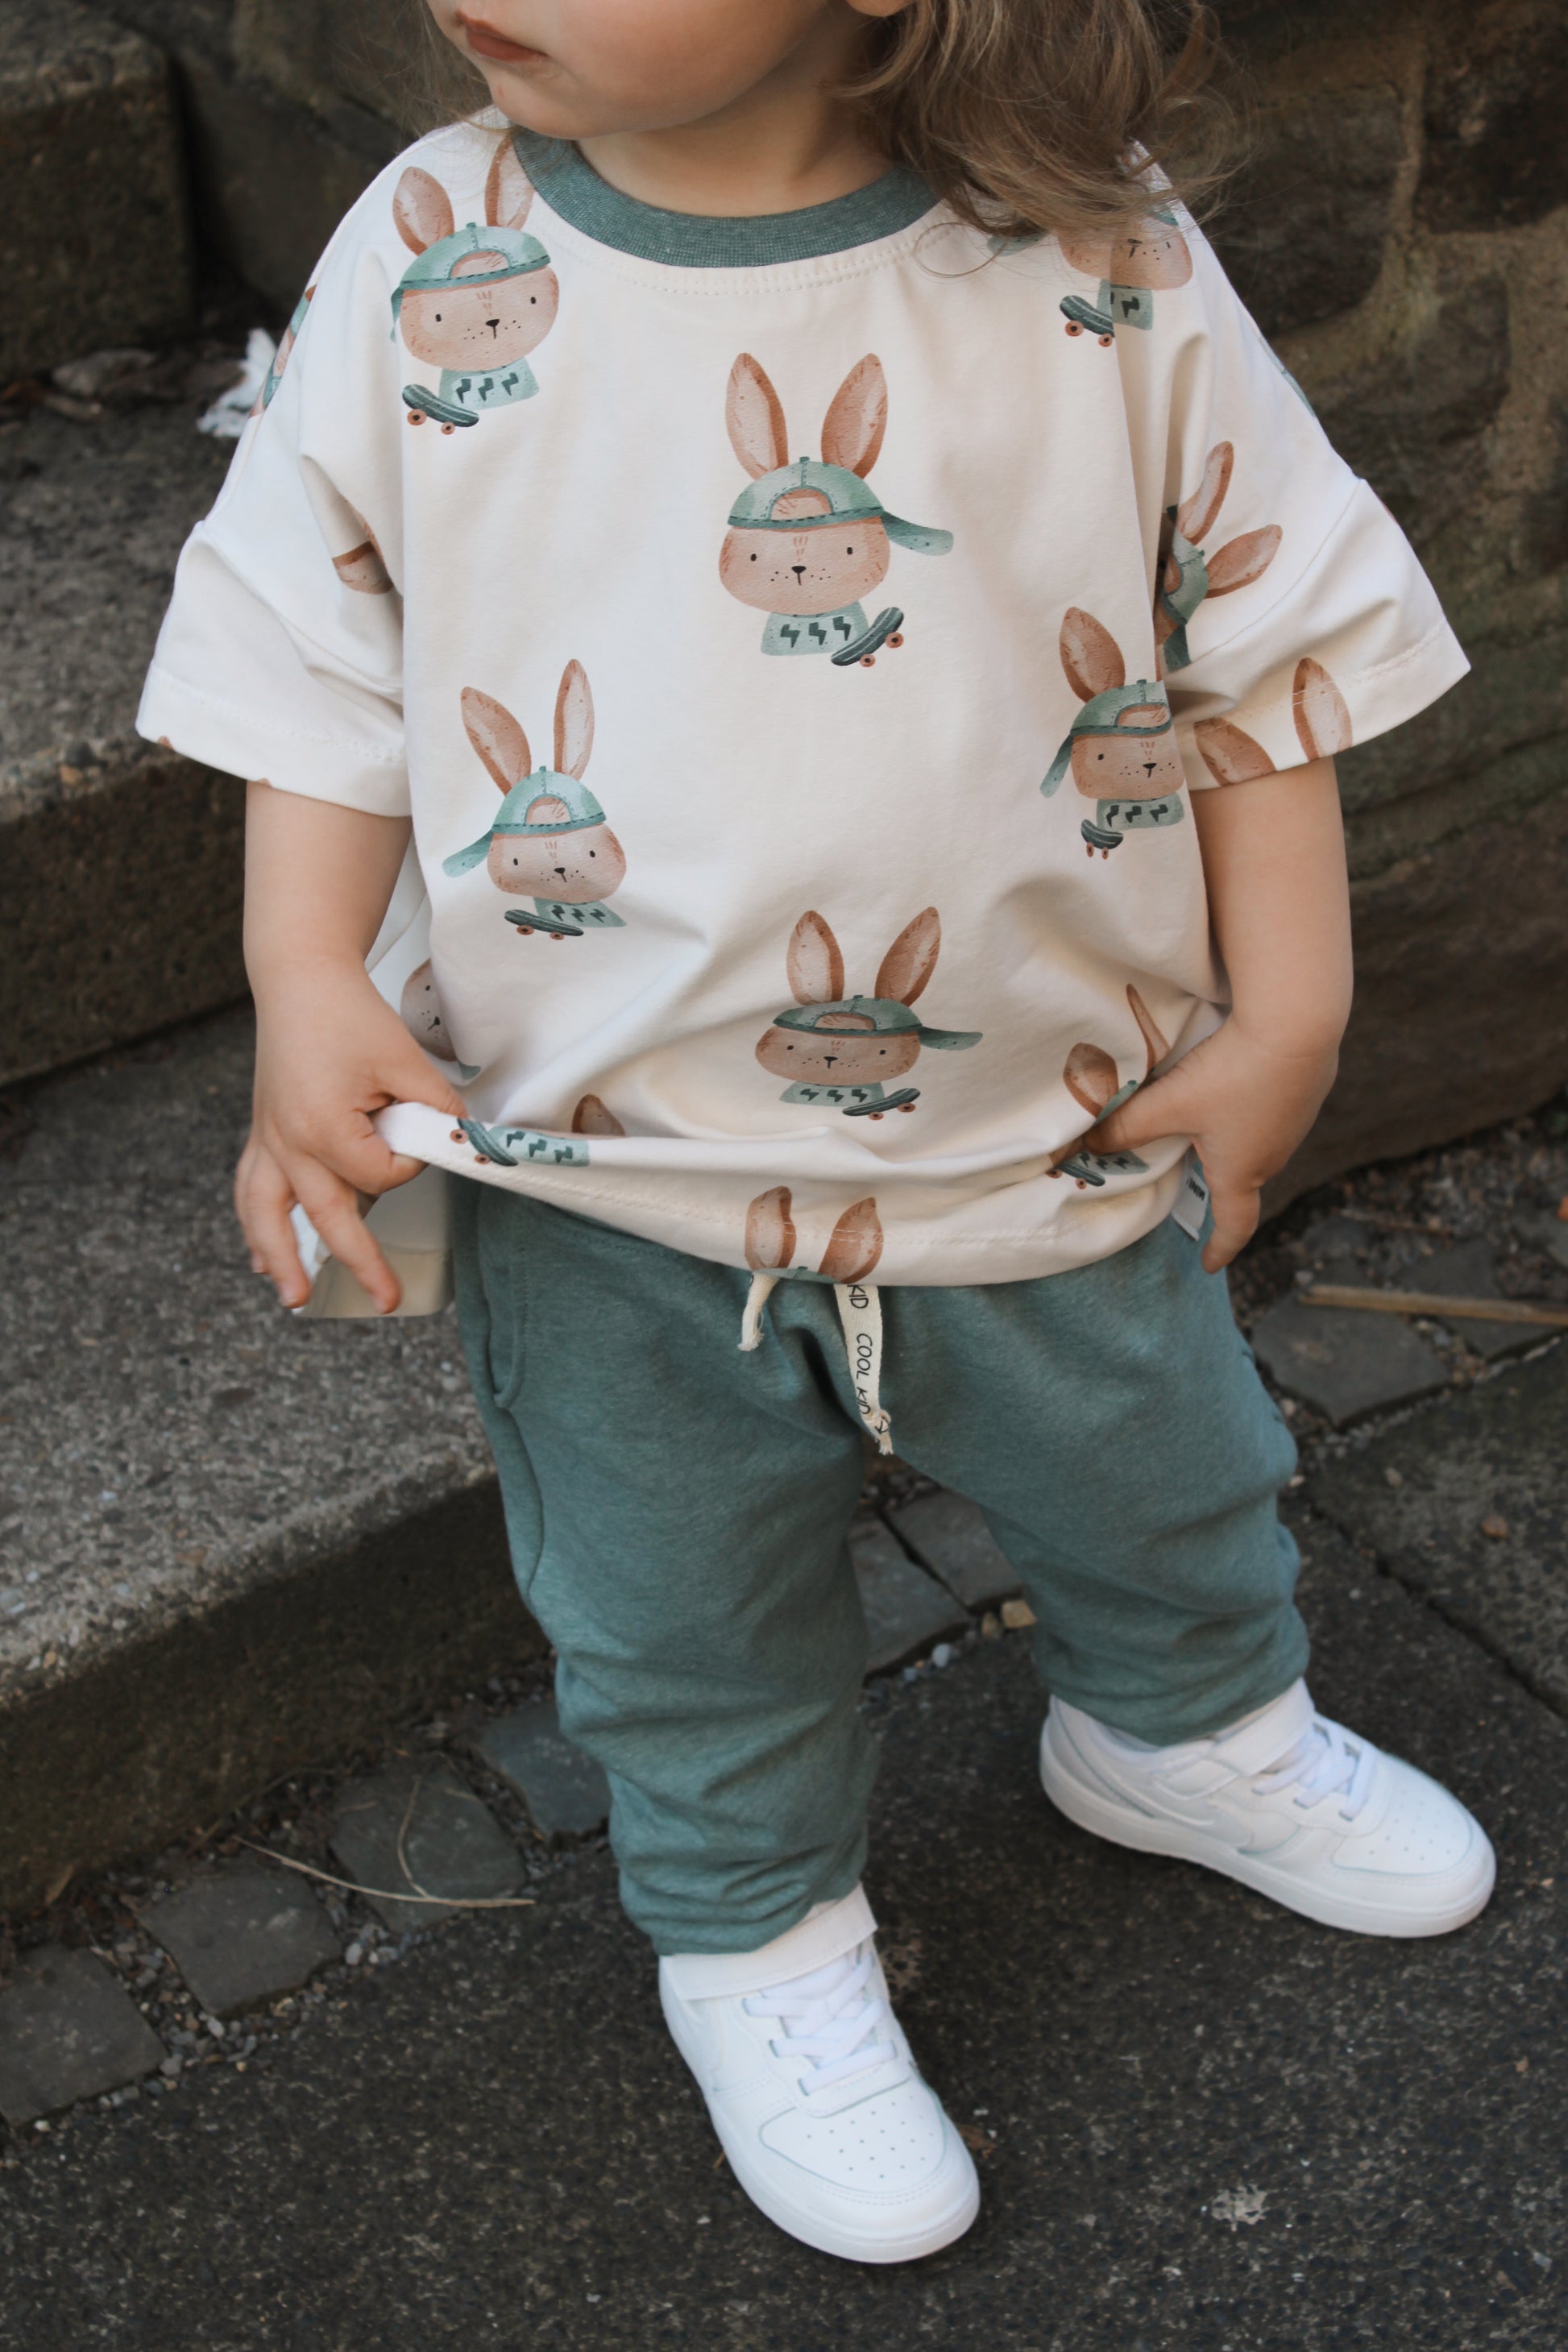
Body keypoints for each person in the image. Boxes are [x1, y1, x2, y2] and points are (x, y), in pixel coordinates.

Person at [140, 0, 1495, 2265]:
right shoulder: (433, 242)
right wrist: (303, 978)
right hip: (597, 1161)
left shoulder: (1092, 254)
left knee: (1169, 1480)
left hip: (1040, 1122)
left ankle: (1186, 1733)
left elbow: (1260, 634)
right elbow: (314, 635)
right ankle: (755, 1932)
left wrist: (1294, 1008)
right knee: (675, 1608)